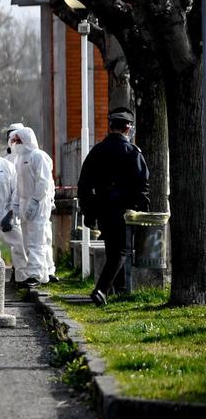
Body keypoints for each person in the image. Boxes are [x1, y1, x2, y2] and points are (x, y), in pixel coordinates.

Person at [77, 107, 150, 306]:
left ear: (111, 127)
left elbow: (84, 185)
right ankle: (101, 290)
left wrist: (88, 211)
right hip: (124, 210)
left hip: (102, 208)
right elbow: (142, 183)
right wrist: (143, 208)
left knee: (113, 250)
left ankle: (119, 290)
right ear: (128, 128)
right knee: (121, 251)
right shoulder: (132, 152)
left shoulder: (97, 151)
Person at [12, 127, 55, 289]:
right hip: (24, 203)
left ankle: (35, 274)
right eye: (15, 140)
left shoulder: (39, 156)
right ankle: (41, 274)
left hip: (38, 204)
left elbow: (43, 182)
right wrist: (16, 205)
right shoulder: (19, 159)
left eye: (18, 140)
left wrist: (35, 201)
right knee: (27, 240)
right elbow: (18, 185)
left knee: (37, 240)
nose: (16, 143)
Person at [0, 122, 30, 279]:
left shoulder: (29, 157)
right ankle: (20, 275)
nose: (12, 139)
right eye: (10, 135)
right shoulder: (3, 161)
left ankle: (26, 274)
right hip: (8, 208)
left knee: (29, 244)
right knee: (16, 244)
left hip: (26, 206)